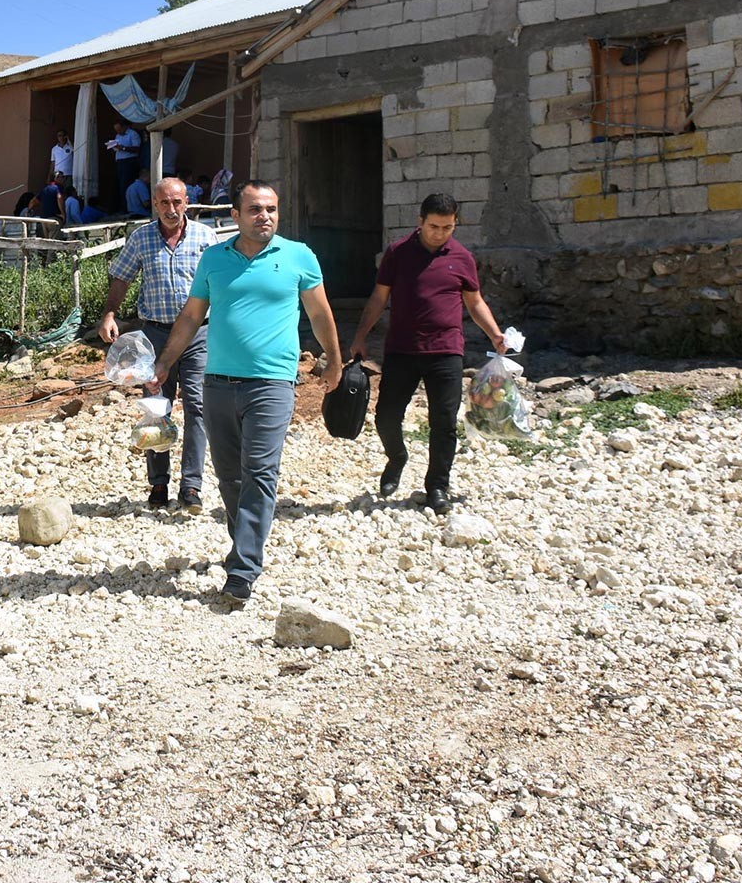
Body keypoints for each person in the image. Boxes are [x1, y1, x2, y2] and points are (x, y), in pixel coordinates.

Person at [152, 181, 342, 606]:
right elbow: (190, 317)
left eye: (272, 209)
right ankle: (245, 543)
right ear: (235, 215)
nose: (266, 217)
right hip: (218, 381)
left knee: (259, 471)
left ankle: (243, 568)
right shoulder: (213, 259)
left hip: (272, 383)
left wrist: (335, 358)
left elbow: (318, 311)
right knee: (230, 475)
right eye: (255, 209)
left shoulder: (298, 256)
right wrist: (164, 362)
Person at [346, 192, 508, 516]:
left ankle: (438, 486)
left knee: (444, 422)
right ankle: (397, 456)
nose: (440, 233)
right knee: (386, 416)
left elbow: (474, 303)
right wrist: (360, 337)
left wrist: (495, 334)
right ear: (420, 222)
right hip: (402, 350)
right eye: (434, 226)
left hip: (446, 352)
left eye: (448, 227)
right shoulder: (397, 253)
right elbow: (379, 299)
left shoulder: (462, 257)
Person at [99, 177, 219, 512]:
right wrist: (110, 314)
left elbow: (219, 283)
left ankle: (191, 486)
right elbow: (121, 276)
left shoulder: (205, 237)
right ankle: (158, 484)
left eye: (177, 202)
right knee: (156, 408)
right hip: (155, 336)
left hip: (197, 336)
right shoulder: (140, 238)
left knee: (197, 408)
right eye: (164, 203)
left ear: (187, 203)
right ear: (155, 204)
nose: (171, 209)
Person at [105, 120, 142, 202]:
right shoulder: (118, 135)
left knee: (127, 184)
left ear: (125, 127)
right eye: (116, 130)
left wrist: (123, 148)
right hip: (120, 162)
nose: (118, 132)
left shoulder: (133, 134)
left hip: (129, 161)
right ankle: (123, 206)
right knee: (120, 184)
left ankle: (129, 206)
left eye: (119, 130)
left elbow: (137, 148)